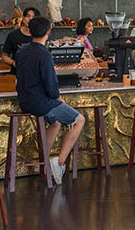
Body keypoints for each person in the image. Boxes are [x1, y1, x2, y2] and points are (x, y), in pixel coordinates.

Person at [15, 16, 86, 186]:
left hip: (24, 101)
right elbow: (52, 87)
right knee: (79, 120)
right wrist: (60, 100)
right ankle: (59, 163)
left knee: (55, 123)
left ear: (29, 31)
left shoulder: (21, 52)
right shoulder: (45, 54)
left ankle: (44, 162)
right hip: (42, 103)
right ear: (48, 32)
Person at [0, 6, 39, 72]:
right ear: (23, 18)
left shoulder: (40, 35)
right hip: (17, 73)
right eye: (28, 16)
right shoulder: (13, 35)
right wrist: (13, 63)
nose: (30, 19)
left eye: (33, 17)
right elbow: (4, 56)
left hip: (36, 73)